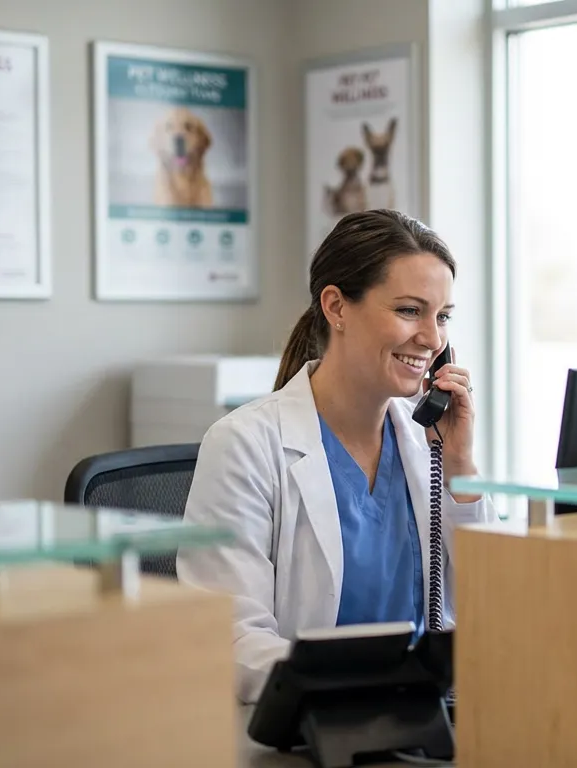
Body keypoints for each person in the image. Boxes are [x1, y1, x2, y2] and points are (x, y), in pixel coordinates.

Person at [177, 210, 495, 703]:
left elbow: (497, 607)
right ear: (336, 306)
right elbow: (230, 636)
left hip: (426, 720)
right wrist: (356, 685)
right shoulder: (244, 443)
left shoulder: (428, 442)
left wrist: (459, 469)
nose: (434, 339)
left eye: (443, 316)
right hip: (313, 725)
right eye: (410, 310)